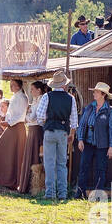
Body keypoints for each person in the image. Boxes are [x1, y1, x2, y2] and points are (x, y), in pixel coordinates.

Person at [32, 70, 78, 201]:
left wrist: (47, 124)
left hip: (50, 131)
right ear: (64, 85)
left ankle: (50, 193)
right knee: (62, 163)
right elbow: (74, 120)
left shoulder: (47, 96)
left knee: (49, 163)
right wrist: (72, 134)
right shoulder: (71, 98)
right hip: (63, 132)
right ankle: (62, 193)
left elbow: (40, 116)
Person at [77, 81, 112, 199]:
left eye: (96, 92)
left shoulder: (110, 111)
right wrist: (80, 139)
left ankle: (98, 195)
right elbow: (83, 124)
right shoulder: (89, 107)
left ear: (103, 94)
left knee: (100, 170)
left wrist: (111, 146)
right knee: (83, 167)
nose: (94, 93)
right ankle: (80, 193)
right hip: (88, 143)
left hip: (102, 145)